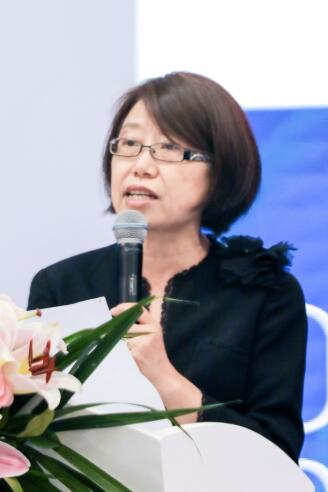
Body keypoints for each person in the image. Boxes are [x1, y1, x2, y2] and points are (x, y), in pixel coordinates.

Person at [26, 72, 307, 462]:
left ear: (220, 170)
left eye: (170, 148)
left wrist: (165, 378)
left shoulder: (265, 294)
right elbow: (32, 430)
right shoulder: (60, 285)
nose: (141, 165)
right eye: (129, 144)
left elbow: (277, 456)